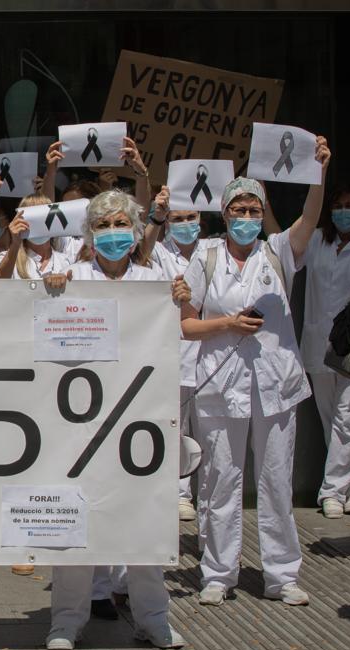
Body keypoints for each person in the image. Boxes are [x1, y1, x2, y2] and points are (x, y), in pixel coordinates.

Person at [179, 136, 330, 608]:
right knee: (220, 480)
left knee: (275, 480)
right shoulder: (205, 256)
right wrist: (226, 323)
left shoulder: (277, 251)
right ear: (223, 215)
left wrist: (319, 173)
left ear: (262, 214)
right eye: (237, 210)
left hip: (275, 384)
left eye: (253, 210)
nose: (245, 219)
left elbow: (309, 220)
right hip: (219, 385)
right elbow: (187, 324)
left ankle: (281, 574)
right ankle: (218, 572)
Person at [43, 189, 187, 650]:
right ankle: (66, 620)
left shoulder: (154, 279)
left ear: (135, 230)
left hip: (138, 420)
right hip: (78, 418)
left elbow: (179, 328)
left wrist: (179, 300)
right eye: (102, 226)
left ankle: (153, 619)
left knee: (143, 518)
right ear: (88, 235)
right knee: (75, 518)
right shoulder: (70, 274)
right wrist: (52, 289)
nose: (112, 234)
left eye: (121, 224)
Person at [146, 186, 219, 523]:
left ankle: (208, 497)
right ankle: (178, 494)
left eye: (190, 217)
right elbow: (142, 250)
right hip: (172, 353)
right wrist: (156, 215)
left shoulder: (213, 251)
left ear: (201, 219)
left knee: (209, 434)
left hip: (209, 355)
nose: (185, 223)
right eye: (178, 219)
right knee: (175, 427)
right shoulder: (160, 251)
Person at [302, 184, 350, 519]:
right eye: (338, 205)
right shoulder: (317, 240)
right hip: (318, 342)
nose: (343, 211)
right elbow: (280, 239)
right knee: (331, 418)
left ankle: (331, 491)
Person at [0, 194, 74, 282]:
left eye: (44, 217)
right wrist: (15, 243)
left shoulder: (67, 261)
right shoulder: (6, 257)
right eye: (32, 218)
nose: (39, 224)